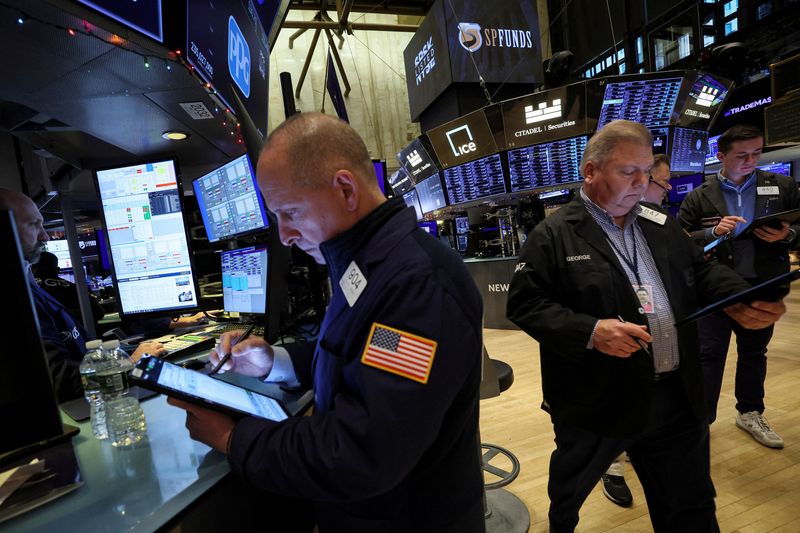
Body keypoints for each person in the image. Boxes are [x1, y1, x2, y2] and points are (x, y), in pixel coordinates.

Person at [168, 113, 486, 532]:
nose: (284, 235)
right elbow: (361, 354)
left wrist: (234, 439)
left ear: (345, 189)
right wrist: (273, 361)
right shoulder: (370, 264)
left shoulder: (415, 286)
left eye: (290, 212)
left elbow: (364, 453)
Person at [506, 120, 786, 531]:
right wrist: (590, 332)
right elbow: (525, 303)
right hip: (598, 401)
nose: (642, 182)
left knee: (689, 507)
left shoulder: (659, 222)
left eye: (646, 172)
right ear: (591, 172)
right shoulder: (554, 234)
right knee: (568, 497)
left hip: (675, 398)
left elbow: (700, 270)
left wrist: (739, 296)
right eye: (628, 172)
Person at [678, 124, 800, 448]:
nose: (751, 160)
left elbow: (798, 227)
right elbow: (681, 243)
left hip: (764, 286)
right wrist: (712, 234)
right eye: (742, 155)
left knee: (755, 352)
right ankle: (700, 422)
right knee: (708, 354)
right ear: (721, 156)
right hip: (714, 290)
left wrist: (787, 236)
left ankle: (749, 411)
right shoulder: (698, 197)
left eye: (757, 153)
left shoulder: (783, 186)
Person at [0, 188, 165, 402]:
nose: (45, 236)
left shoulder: (24, 282)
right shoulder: (10, 296)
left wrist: (124, 353)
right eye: (33, 225)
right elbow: (59, 381)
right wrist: (130, 364)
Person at [600, 153, 672, 508]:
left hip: (660, 357)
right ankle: (611, 465)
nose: (661, 187)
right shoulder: (579, 226)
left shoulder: (661, 223)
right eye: (635, 175)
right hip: (612, 358)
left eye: (649, 177)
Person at [32, 251, 106, 330]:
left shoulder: (30, 290)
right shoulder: (74, 288)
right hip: (79, 336)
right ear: (58, 270)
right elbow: (98, 312)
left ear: (32, 269)